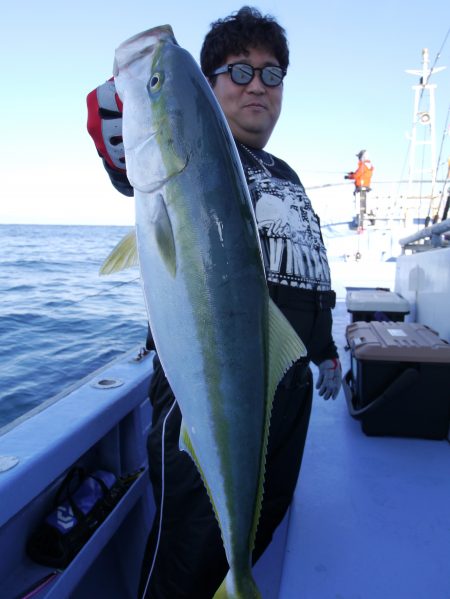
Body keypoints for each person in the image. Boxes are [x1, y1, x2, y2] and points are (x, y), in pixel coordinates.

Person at [87, 7, 341, 598]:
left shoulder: (286, 173)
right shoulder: (198, 156)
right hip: (205, 383)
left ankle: (240, 580)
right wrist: (142, 81)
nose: (258, 85)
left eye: (272, 74)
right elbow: (127, 148)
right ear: (205, 86)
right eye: (239, 71)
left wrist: (324, 350)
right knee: (190, 544)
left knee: (263, 516)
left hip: (287, 384)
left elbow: (310, 276)